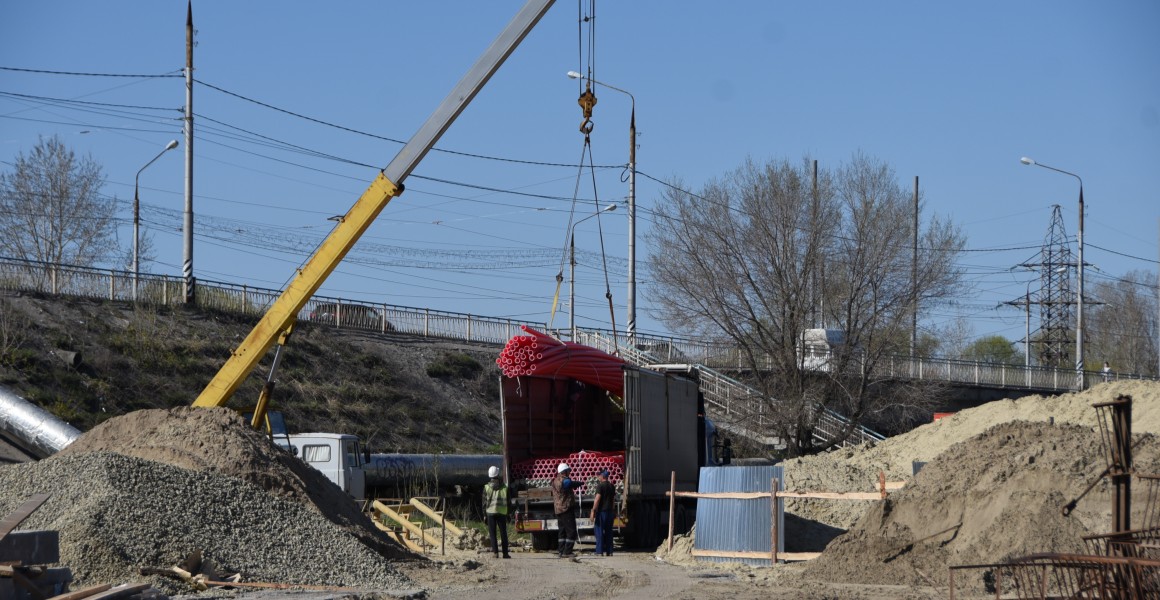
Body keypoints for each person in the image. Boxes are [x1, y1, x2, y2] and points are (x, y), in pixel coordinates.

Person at [550, 462, 581, 557]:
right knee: (571, 531)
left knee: (562, 531)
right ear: (564, 472)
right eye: (568, 471)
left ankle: (561, 551)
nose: (569, 473)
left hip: (558, 509)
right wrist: (580, 483)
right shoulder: (564, 481)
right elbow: (569, 484)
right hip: (566, 509)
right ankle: (567, 552)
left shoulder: (555, 480)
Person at [482, 465, 511, 558]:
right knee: (503, 533)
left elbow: (484, 503)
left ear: (490, 476)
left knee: (492, 533)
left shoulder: (486, 487)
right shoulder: (504, 488)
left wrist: (484, 515)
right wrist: (509, 513)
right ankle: (505, 553)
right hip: (502, 513)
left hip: (490, 513)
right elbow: (508, 502)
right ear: (498, 475)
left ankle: (495, 553)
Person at [590, 469, 615, 556]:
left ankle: (599, 551)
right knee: (609, 532)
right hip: (610, 512)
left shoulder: (600, 486)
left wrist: (593, 510)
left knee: (599, 531)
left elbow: (597, 499)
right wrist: (613, 510)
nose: (598, 477)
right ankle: (610, 551)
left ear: (602, 476)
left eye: (599, 475)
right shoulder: (612, 486)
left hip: (601, 512)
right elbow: (613, 500)